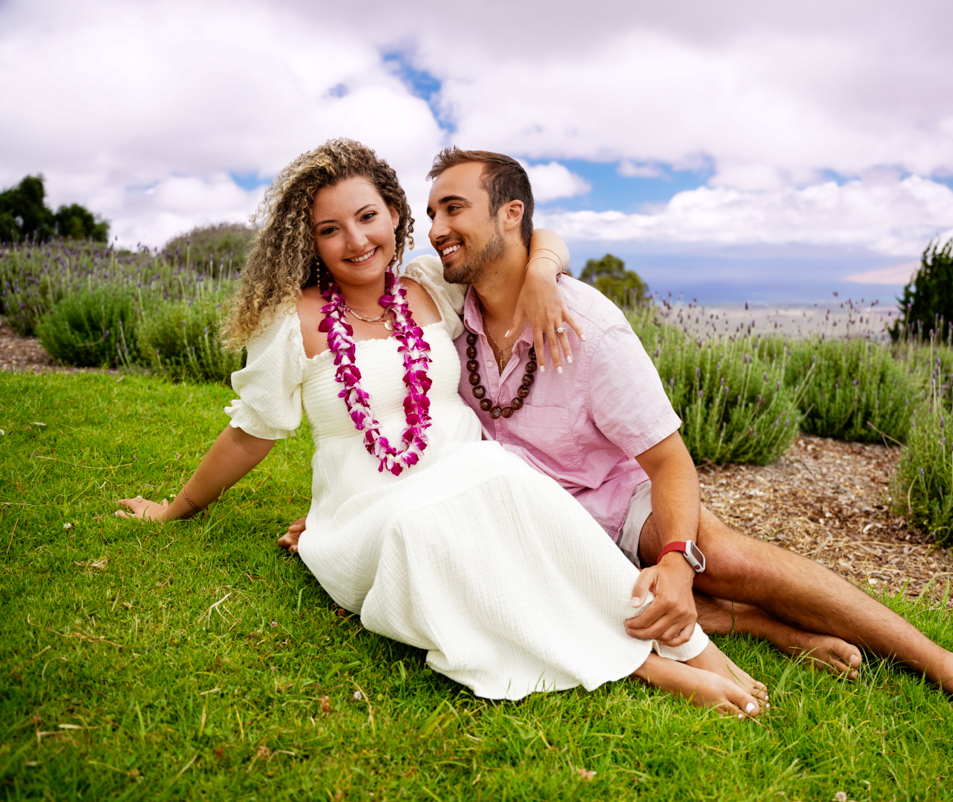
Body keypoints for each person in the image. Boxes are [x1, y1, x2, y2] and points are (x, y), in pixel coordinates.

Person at [288, 146, 953, 756]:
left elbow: (670, 465)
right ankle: (752, 626)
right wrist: (342, 512)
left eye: (454, 208)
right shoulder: (443, 297)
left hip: (609, 503)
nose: (437, 227)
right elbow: (388, 399)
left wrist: (677, 559)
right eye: (430, 212)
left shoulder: (584, 324)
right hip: (521, 513)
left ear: (509, 214)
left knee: (722, 554)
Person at [117, 138, 768, 715]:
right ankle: (652, 665)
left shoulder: (430, 286)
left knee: (507, 481)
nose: (356, 241)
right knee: (440, 517)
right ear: (308, 242)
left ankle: (692, 640)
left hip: (479, 484)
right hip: (370, 514)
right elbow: (249, 432)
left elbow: (533, 237)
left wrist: (543, 273)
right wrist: (177, 508)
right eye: (330, 229)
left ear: (395, 216)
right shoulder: (293, 323)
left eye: (368, 217)